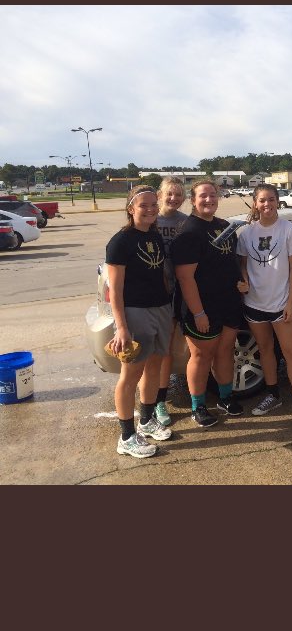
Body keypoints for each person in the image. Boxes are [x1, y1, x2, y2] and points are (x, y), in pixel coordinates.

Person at [236, 184, 292, 429]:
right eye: (262, 200)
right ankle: (273, 395)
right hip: (254, 303)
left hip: (282, 304)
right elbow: (242, 264)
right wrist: (244, 279)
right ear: (255, 203)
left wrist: (291, 304)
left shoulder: (288, 230)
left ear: (277, 201)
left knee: (291, 352)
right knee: (265, 349)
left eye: (271, 199)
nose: (267, 204)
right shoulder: (247, 233)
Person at [171, 179, 248, 428]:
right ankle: (198, 406)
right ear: (193, 200)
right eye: (203, 196)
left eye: (213, 195)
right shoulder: (188, 231)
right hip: (201, 307)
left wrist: (241, 281)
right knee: (201, 355)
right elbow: (185, 277)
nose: (209, 200)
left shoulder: (225, 226)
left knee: (226, 351)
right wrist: (198, 312)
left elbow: (232, 263)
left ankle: (225, 397)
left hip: (228, 302)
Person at [106, 186, 174, 459]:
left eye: (153, 205)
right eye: (143, 205)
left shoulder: (154, 236)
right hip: (135, 313)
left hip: (160, 309)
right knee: (130, 376)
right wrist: (122, 327)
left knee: (154, 367)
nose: (149, 209)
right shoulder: (119, 242)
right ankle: (126, 437)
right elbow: (116, 290)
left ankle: (146, 420)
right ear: (131, 208)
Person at [142, 176, 189, 431]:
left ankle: (159, 400)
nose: (173, 198)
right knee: (153, 353)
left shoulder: (185, 222)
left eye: (178, 194)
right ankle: (151, 403)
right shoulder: (150, 220)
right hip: (153, 294)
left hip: (177, 292)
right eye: (169, 193)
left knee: (167, 349)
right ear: (160, 195)